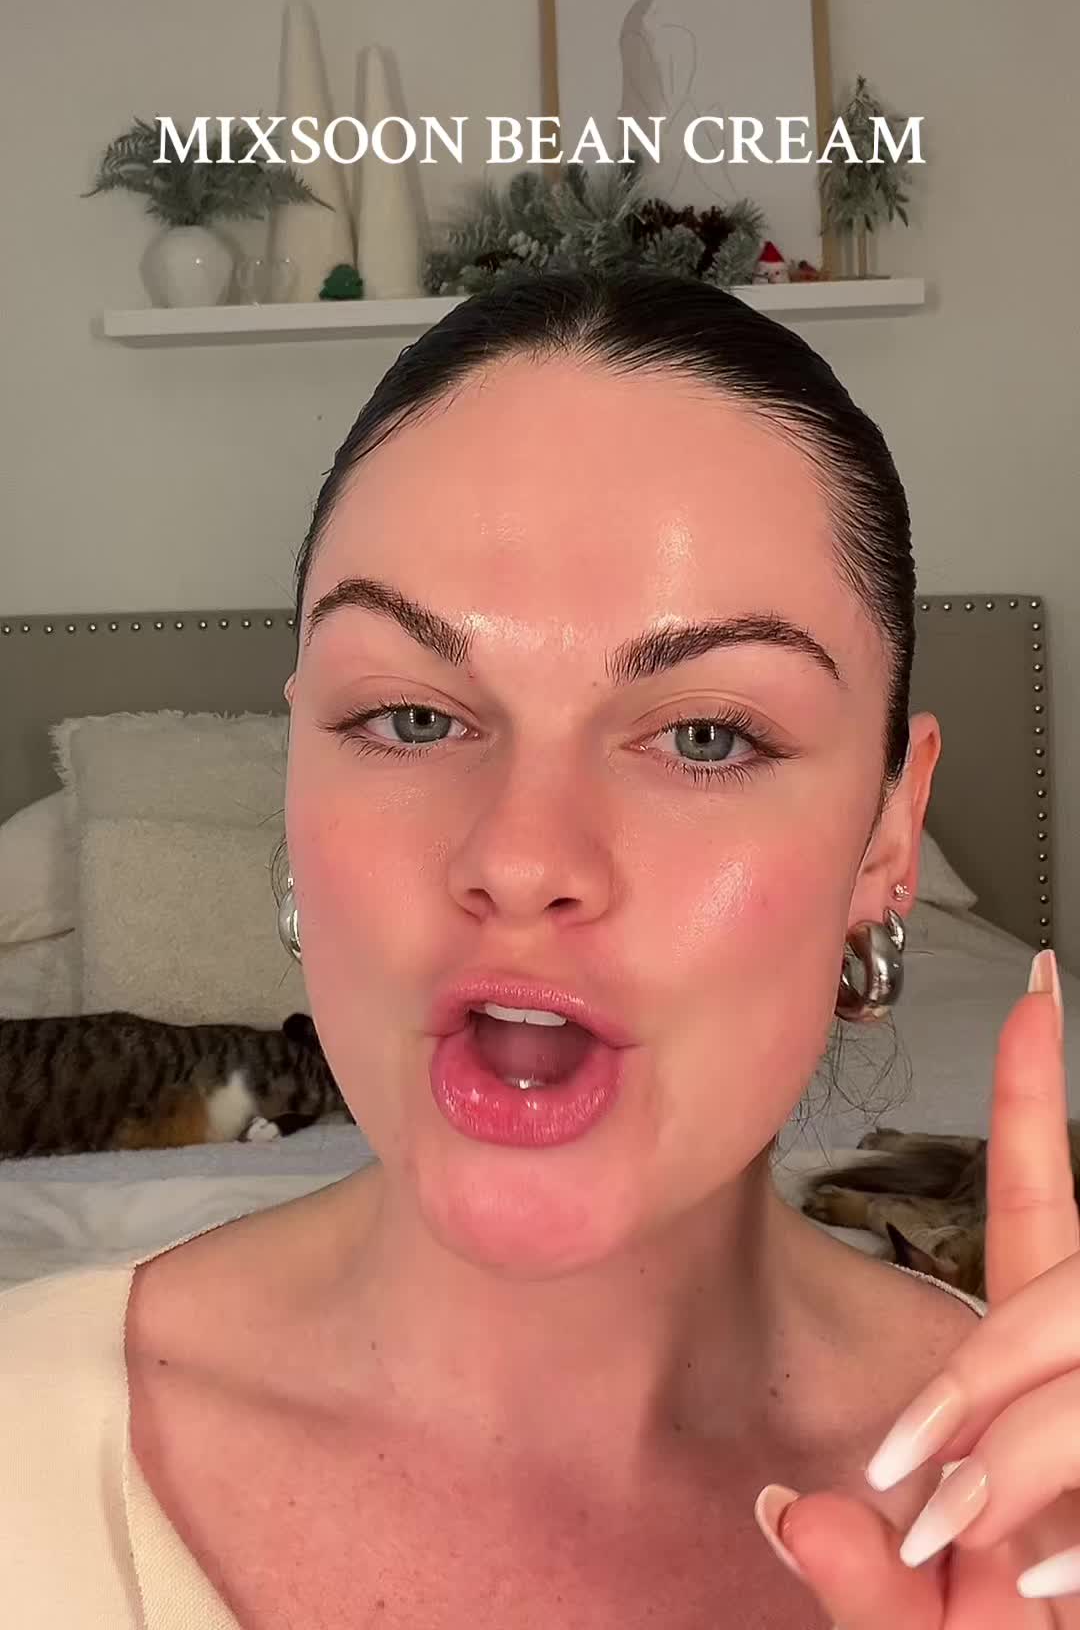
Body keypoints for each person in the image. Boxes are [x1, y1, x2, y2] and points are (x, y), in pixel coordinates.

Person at [2, 269, 1079, 1630]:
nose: (519, 856)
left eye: (706, 737)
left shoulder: (1047, 1507)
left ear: (887, 835)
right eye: (409, 719)